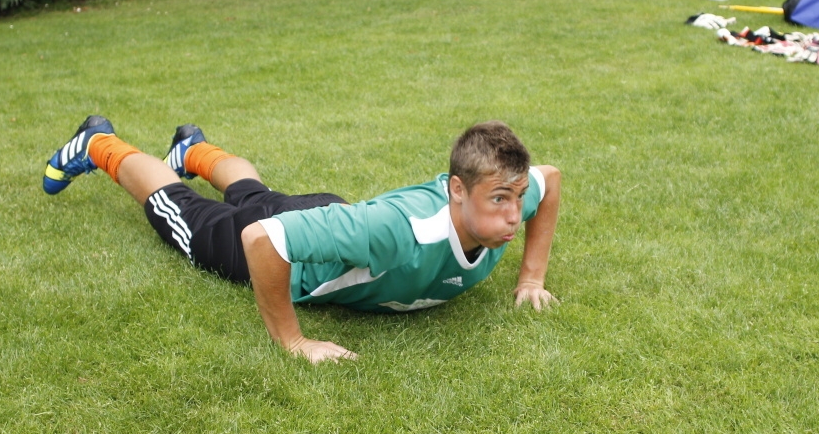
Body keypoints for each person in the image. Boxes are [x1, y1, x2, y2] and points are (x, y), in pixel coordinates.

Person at [42, 117, 562, 364]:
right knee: (179, 209)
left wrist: (531, 277)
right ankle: (100, 143)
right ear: (457, 190)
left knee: (255, 195)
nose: (515, 214)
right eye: (499, 199)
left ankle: (195, 150)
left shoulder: (510, 194)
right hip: (308, 255)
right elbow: (264, 239)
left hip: (330, 219)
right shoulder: (396, 232)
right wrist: (293, 340)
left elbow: (551, 178)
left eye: (518, 197)